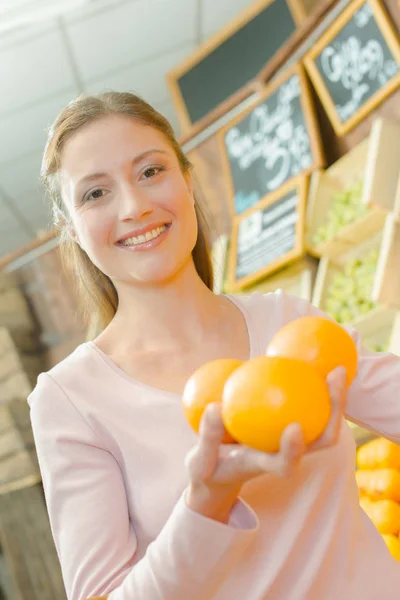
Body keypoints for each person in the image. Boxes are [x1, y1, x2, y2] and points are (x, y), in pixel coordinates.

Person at [28, 91, 400, 600]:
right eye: (95, 194)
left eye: (151, 171)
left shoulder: (287, 321)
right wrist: (208, 499)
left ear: (186, 177)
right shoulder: (70, 399)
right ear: (71, 228)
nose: (135, 206)